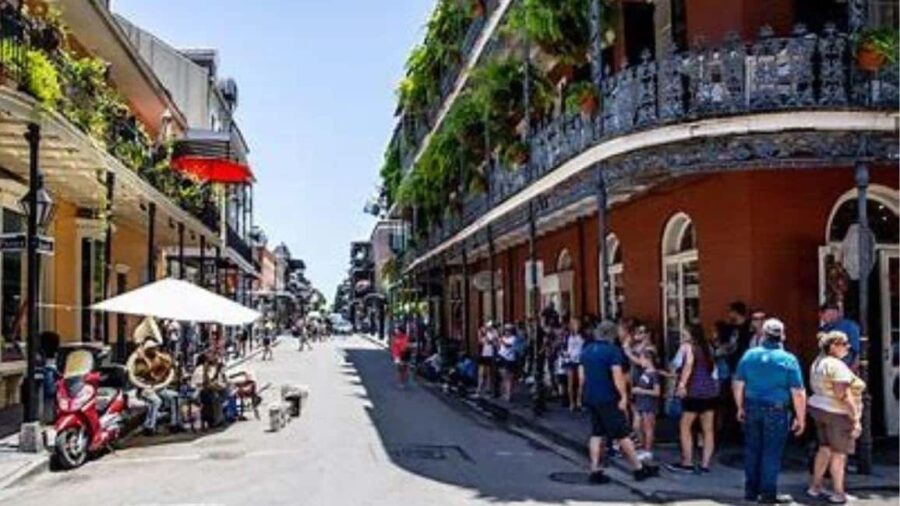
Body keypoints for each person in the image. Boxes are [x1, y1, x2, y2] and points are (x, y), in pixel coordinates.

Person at [733, 318, 807, 505]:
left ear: (763, 335)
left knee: (752, 450)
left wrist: (740, 406)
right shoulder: (788, 359)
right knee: (771, 452)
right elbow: (797, 392)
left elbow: (738, 383)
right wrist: (801, 417)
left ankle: (751, 491)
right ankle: (767, 494)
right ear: (782, 336)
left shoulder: (749, 355)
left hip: (752, 405)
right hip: (776, 409)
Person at [579, 320, 659, 484]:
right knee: (621, 433)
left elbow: (582, 377)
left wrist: (582, 393)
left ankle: (595, 470)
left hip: (591, 396)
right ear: (611, 335)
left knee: (596, 433)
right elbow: (618, 376)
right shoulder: (612, 351)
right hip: (608, 397)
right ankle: (638, 468)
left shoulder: (586, 350)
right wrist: (623, 396)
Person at [807, 330, 866, 505]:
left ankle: (815, 486)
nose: (847, 347)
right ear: (833, 346)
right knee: (839, 454)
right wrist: (855, 418)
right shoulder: (836, 365)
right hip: (837, 413)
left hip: (819, 408)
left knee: (824, 449)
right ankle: (838, 492)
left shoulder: (818, 362)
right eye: (844, 343)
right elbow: (842, 393)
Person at [671, 324, 719, 473]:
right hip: (710, 391)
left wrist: (681, 385)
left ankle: (687, 462)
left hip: (694, 391)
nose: (682, 335)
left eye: (684, 332)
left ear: (690, 334)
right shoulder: (708, 348)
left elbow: (687, 364)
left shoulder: (687, 347)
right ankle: (705, 464)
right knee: (708, 429)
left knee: (685, 426)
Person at [127, 337, 180, 435]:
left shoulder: (161, 358)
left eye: (154, 348)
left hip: (158, 387)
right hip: (144, 388)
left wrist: (162, 383)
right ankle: (149, 426)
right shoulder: (139, 359)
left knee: (174, 396)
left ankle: (174, 423)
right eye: (151, 348)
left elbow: (171, 367)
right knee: (156, 401)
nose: (154, 350)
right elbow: (134, 374)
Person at [632, 347, 661, 461]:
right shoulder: (645, 372)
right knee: (638, 427)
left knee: (648, 428)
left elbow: (657, 392)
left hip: (649, 404)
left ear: (648, 359)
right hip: (641, 403)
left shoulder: (653, 374)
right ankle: (643, 447)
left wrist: (641, 391)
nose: (640, 361)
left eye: (642, 359)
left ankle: (647, 450)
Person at [819, 302, 861, 372]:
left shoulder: (850, 327)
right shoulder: (823, 330)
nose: (831, 317)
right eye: (828, 315)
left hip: (845, 369)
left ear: (838, 313)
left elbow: (856, 352)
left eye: (832, 314)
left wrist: (851, 371)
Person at [565, 318, 585, 412]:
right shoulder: (569, 336)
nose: (577, 326)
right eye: (575, 325)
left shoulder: (583, 336)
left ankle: (579, 401)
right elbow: (567, 349)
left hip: (581, 361)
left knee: (582, 382)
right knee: (571, 382)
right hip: (571, 360)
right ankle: (572, 403)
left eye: (578, 324)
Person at [497, 324, 518, 401]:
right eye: (506, 330)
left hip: (509, 359)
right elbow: (499, 347)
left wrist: (501, 340)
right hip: (502, 357)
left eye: (508, 330)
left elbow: (508, 345)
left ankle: (509, 395)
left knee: (509, 377)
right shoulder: (503, 338)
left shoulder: (514, 338)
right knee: (503, 376)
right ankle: (505, 393)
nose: (507, 332)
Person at [476, 323, 496, 396]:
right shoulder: (484, 334)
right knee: (481, 372)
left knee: (488, 372)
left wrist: (486, 335)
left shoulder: (493, 333)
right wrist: (480, 334)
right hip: (483, 354)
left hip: (490, 355)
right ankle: (480, 387)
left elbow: (492, 342)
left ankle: (488, 387)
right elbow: (481, 342)